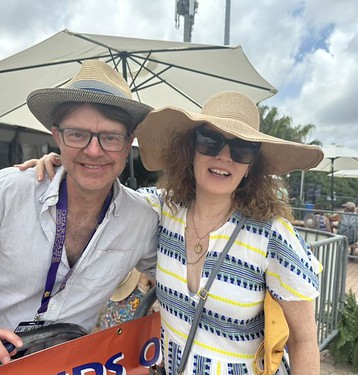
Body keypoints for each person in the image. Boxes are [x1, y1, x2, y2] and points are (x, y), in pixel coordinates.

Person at [27, 91, 324, 374]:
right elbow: (103, 190)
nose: (224, 156)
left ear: (251, 166)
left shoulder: (274, 235)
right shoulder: (162, 210)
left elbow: (303, 341)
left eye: (242, 149)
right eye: (210, 141)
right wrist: (65, 168)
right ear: (191, 150)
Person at [0, 60, 158, 375]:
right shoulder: (10, 189)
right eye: (78, 135)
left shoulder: (141, 217)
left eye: (110, 138)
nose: (93, 150)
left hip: (75, 365)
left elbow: (178, 278)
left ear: (128, 146)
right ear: (56, 136)